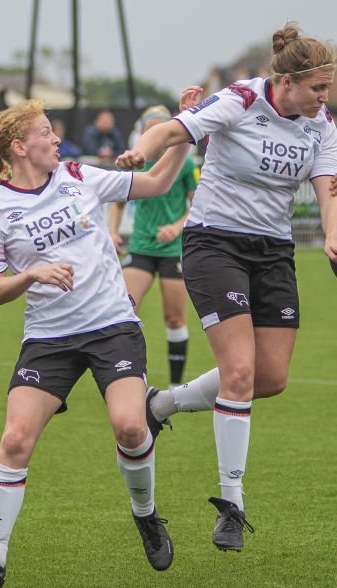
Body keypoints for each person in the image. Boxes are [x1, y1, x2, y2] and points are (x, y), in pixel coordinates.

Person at [0, 99, 192, 587]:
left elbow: (158, 182)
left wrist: (183, 131)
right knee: (15, 439)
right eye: (46, 132)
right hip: (48, 338)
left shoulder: (79, 175)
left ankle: (145, 514)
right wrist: (31, 274)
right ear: (20, 146)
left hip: (111, 324)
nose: (56, 139)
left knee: (129, 427)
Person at [117, 23, 337, 553]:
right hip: (215, 245)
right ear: (287, 82)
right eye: (319, 88)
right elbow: (173, 131)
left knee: (271, 376)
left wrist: (333, 235)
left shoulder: (321, 124)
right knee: (239, 371)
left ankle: (162, 404)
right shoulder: (239, 99)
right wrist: (141, 149)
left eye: (328, 89)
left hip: (273, 253)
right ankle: (232, 506)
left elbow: (328, 187)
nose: (325, 97)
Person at [108, 105, 199, 388]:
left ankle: (174, 389)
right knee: (124, 313)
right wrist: (111, 231)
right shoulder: (136, 161)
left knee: (174, 318)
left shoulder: (185, 164)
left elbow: (197, 205)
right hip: (141, 247)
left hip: (172, 251)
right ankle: (132, 379)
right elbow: (117, 202)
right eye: (150, 130)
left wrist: (177, 226)